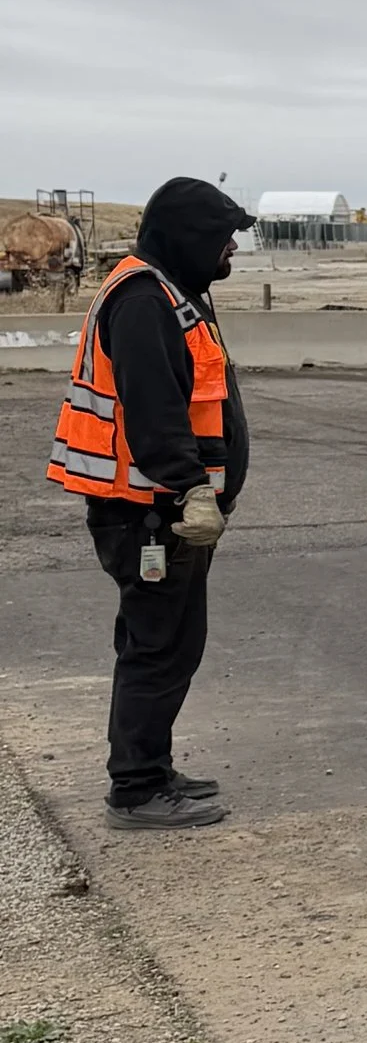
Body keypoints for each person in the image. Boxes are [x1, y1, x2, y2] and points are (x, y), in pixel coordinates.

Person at [45, 177, 257, 828]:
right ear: (190, 237)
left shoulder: (176, 291)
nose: (230, 251)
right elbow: (155, 411)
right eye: (223, 239)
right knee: (157, 645)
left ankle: (151, 766)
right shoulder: (143, 299)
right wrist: (191, 490)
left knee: (170, 641)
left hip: (165, 511)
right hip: (150, 513)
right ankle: (135, 788)